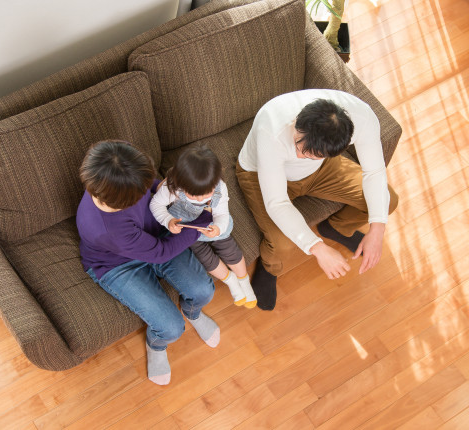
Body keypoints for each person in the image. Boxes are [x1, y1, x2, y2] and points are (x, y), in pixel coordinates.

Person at [236, 89, 399, 310]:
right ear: (297, 123)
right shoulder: (272, 126)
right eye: (298, 146)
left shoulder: (363, 117)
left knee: (387, 202)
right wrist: (318, 248)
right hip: (263, 173)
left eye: (310, 154)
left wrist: (378, 229)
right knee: (282, 244)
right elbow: (277, 202)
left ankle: (336, 227)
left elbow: (375, 173)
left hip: (320, 171)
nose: (300, 156)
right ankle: (270, 267)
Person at [76, 140, 220, 386]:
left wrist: (166, 189)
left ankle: (192, 312)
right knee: (171, 329)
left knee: (203, 291)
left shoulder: (114, 176)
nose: (146, 191)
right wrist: (202, 222)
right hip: (117, 265)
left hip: (154, 235)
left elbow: (150, 187)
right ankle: (156, 344)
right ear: (124, 200)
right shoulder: (106, 229)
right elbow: (161, 252)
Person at [150, 146, 257, 308]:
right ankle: (231, 281)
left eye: (206, 193)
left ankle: (244, 280)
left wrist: (218, 228)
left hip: (212, 223)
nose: (201, 198)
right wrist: (168, 220)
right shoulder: (173, 187)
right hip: (188, 227)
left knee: (229, 248)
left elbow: (221, 213)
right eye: (194, 195)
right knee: (204, 257)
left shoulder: (219, 187)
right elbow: (156, 204)